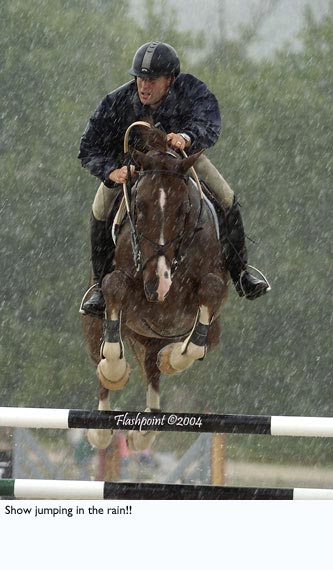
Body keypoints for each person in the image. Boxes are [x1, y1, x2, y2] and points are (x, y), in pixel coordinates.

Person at [79, 41, 269, 315]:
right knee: (99, 208)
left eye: (152, 80)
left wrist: (186, 137)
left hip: (179, 161)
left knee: (226, 197)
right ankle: (99, 286)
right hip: (132, 165)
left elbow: (209, 122)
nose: (144, 86)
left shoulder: (193, 91)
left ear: (170, 80)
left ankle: (241, 274)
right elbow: (88, 146)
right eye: (140, 78)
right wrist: (111, 171)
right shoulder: (117, 101)